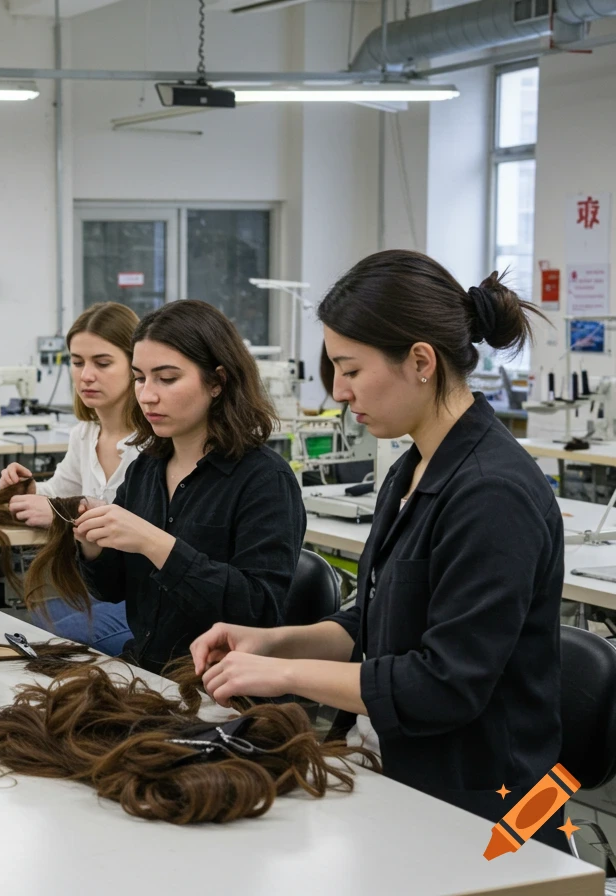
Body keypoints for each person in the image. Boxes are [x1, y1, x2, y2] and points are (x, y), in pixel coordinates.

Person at [189, 250, 567, 852]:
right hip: (407, 776)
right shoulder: (416, 465)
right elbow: (377, 620)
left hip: (494, 810)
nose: (337, 391)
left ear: (421, 361)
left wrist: (286, 674)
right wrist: (274, 640)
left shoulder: (492, 493)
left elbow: (445, 683)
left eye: (350, 369)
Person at [72, 300, 305, 673]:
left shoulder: (264, 480)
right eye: (140, 378)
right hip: (145, 673)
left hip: (220, 688)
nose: (147, 395)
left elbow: (259, 610)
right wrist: (92, 547)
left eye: (167, 379)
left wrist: (154, 542)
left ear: (217, 382)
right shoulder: (145, 469)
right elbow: (112, 590)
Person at [0, 302, 144, 654]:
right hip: (102, 587)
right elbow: (59, 493)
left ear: (136, 366)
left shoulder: (153, 442)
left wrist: (63, 513)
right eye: (77, 362)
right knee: (30, 628)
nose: (85, 375)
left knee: (52, 642)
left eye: (102, 363)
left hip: (142, 591)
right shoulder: (86, 434)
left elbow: (139, 525)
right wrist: (30, 491)